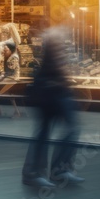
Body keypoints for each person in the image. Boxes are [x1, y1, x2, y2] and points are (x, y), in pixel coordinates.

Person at [22, 25, 84, 188]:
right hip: (51, 90)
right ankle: (39, 172)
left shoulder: (56, 35)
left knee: (59, 130)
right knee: (49, 131)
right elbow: (55, 63)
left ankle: (51, 171)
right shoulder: (53, 36)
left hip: (57, 90)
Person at [0, 41, 21, 118]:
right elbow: (5, 70)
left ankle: (16, 112)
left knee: (3, 92)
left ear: (10, 50)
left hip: (12, 77)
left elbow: (12, 67)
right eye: (4, 50)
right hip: (5, 76)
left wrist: (5, 58)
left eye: (6, 50)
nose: (4, 51)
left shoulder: (14, 57)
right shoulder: (8, 56)